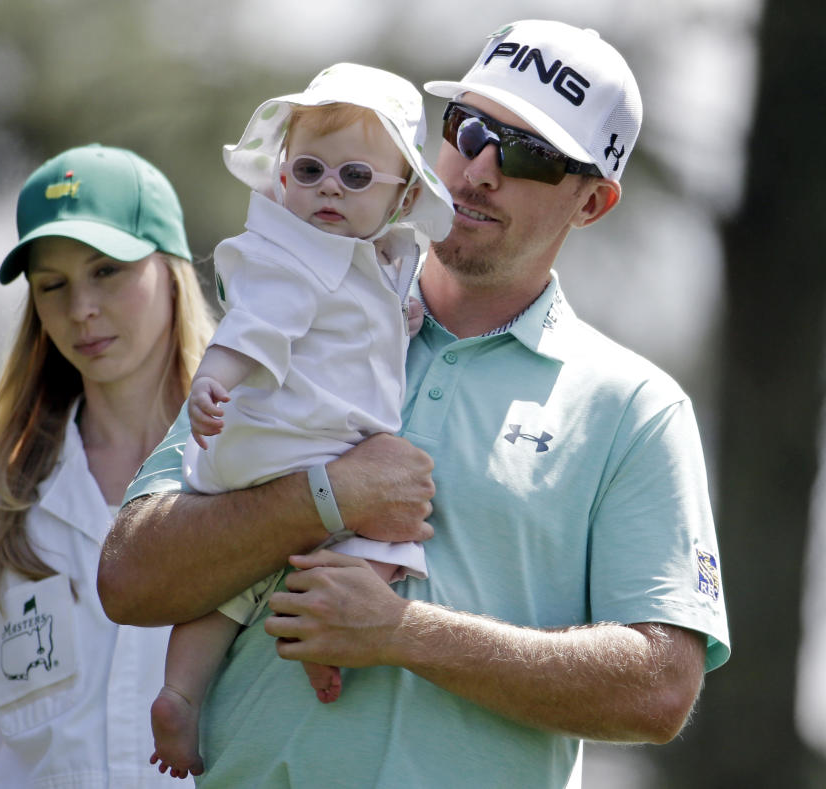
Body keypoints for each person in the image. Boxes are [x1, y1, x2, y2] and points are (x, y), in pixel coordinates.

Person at [98, 20, 731, 789]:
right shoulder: (294, 307)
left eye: (529, 154)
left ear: (592, 201)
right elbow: (130, 575)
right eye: (470, 130)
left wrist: (403, 633)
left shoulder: (636, 408)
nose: (481, 169)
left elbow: (661, 685)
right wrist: (325, 498)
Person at [148, 63, 454, 779]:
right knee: (392, 541)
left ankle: (179, 691)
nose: (327, 190)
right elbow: (255, 326)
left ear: (402, 195)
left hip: (260, 456)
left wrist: (400, 311)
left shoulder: (375, 263)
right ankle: (326, 638)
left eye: (354, 178)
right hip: (303, 443)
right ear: (282, 177)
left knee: (227, 583)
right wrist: (212, 383)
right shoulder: (295, 256)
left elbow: (358, 329)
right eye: (310, 170)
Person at [0, 144, 215, 789]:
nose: (81, 308)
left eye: (108, 271)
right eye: (52, 285)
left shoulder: (258, 476)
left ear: (170, 266)